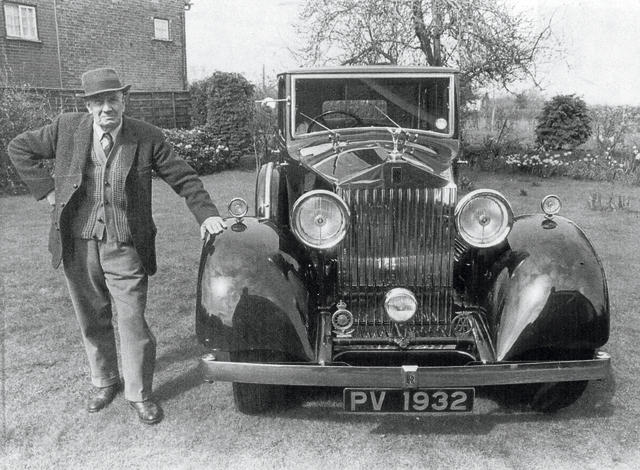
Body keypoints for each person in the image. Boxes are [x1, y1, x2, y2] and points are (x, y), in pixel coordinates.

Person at [8, 68, 227, 425]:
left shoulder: (147, 137)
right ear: (89, 106)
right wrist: (47, 190)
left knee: (131, 320)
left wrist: (206, 215)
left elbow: (184, 177)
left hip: (125, 244)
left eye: (112, 99)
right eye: (98, 102)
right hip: (77, 243)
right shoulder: (67, 128)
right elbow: (18, 147)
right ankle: (104, 381)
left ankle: (139, 393)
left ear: (124, 100)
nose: (106, 108)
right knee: (91, 317)